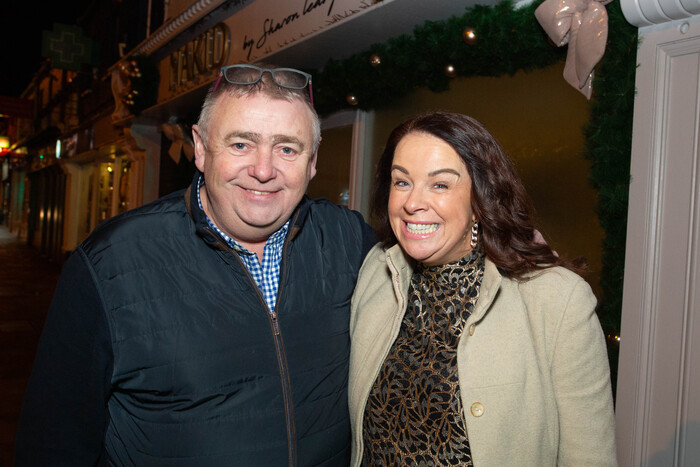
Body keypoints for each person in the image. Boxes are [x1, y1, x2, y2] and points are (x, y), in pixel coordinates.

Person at [15, 63, 375, 466]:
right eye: (241, 144)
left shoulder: (349, 241)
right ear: (200, 149)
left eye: (287, 149)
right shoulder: (109, 264)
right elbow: (53, 443)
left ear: (312, 161)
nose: (263, 170)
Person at [348, 112, 617, 466]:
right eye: (402, 182)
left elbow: (590, 458)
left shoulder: (557, 301)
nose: (412, 203)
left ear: (481, 198)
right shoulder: (377, 272)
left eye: (440, 185)